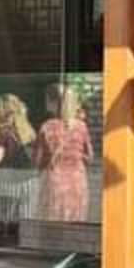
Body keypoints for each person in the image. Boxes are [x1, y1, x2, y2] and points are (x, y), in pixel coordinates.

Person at [32, 82, 93, 223]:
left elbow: (37, 159)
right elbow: (89, 156)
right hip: (77, 182)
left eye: (47, 99)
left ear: (55, 102)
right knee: (75, 223)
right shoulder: (82, 127)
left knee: (53, 224)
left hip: (54, 183)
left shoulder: (47, 127)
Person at [0, 94, 38, 220]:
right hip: (30, 184)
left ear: (1, 112)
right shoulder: (29, 131)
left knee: (4, 223)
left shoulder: (1, 132)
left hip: (8, 184)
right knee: (26, 222)